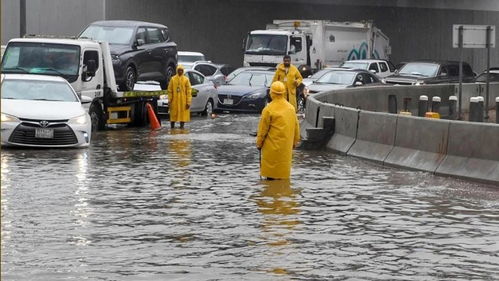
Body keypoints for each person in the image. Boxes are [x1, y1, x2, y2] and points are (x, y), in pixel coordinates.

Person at [256, 81, 300, 180]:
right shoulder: (291, 108)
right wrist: (295, 142)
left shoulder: (268, 109)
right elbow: (296, 128)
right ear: (284, 93)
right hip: (286, 149)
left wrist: (259, 144)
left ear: (272, 93)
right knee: (283, 177)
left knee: (270, 178)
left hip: (271, 149)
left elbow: (262, 130)